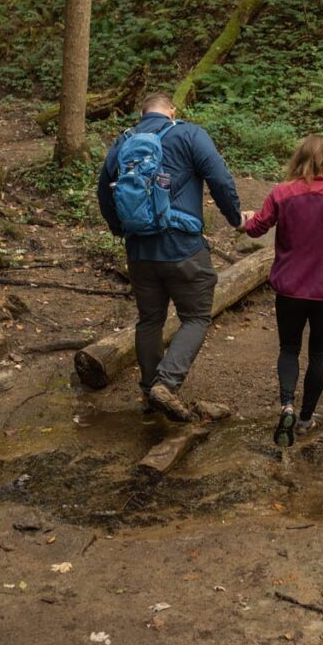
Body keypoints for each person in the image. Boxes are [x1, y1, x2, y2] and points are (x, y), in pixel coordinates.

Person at [98, 91, 242, 421]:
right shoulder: (190, 134)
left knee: (150, 320)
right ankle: (166, 384)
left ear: (142, 112)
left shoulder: (123, 143)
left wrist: (122, 231)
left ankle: (150, 392)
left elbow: (103, 193)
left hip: (139, 253)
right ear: (171, 110)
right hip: (183, 249)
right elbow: (220, 178)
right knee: (196, 316)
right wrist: (235, 218)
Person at [238, 134, 323, 446]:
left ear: (298, 161)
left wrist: (241, 219)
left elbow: (256, 227)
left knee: (289, 349)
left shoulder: (282, 193)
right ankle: (304, 420)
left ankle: (287, 403)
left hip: (289, 289)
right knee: (319, 353)